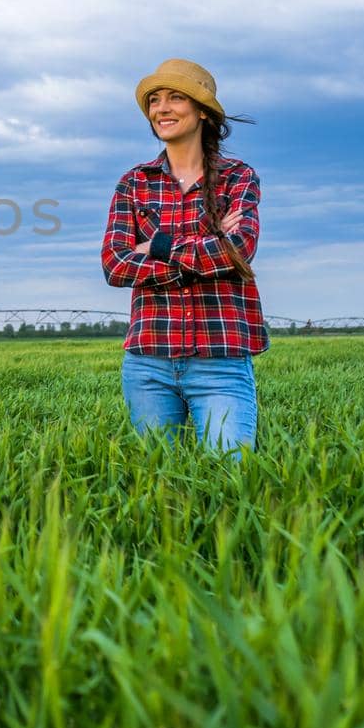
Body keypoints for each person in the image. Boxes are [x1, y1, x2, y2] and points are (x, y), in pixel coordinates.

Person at [100, 58, 268, 457]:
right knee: (160, 482)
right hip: (148, 361)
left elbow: (237, 250)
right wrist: (204, 248)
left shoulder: (237, 177)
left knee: (231, 475)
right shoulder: (134, 183)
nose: (162, 108)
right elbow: (115, 264)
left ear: (203, 112)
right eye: (155, 100)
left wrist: (156, 247)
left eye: (176, 97)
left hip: (220, 357)